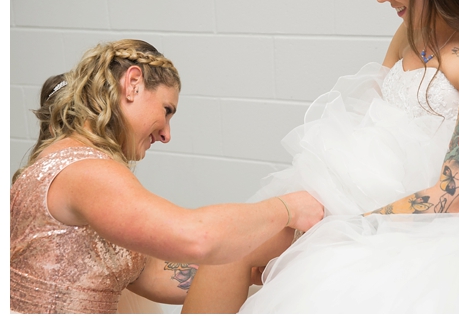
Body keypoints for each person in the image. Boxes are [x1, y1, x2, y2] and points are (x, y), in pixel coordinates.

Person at [182, 0, 459, 313]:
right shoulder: (411, 32)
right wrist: (323, 202)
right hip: (356, 192)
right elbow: (369, 118)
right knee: (230, 246)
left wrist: (347, 226)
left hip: (429, 225)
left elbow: (456, 196)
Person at [9, 39, 325, 314]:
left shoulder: (85, 167)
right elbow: (196, 235)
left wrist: (240, 264)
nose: (166, 134)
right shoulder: (82, 169)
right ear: (132, 84)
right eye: (167, 109)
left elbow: (158, 274)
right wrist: (288, 208)